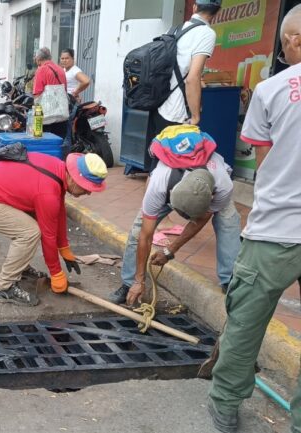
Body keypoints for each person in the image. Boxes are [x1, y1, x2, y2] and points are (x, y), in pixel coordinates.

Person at [207, 6, 301, 433]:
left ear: (292, 40)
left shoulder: (272, 89)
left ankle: (225, 403)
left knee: (245, 323)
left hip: (276, 230)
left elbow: (265, 163)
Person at [109, 126, 241, 305]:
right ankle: (129, 283)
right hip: (169, 185)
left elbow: (201, 220)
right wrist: (140, 280)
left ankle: (230, 282)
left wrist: (170, 250)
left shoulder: (223, 184)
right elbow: (145, 236)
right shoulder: (159, 184)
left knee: (228, 222)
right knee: (137, 230)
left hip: (208, 190)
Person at [0, 152, 108, 306]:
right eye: (86, 187)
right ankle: (4, 287)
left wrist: (64, 249)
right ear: (73, 177)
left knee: (29, 225)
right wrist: (56, 273)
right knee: (29, 232)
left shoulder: (58, 169)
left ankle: (20, 268)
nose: (88, 192)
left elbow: (58, 213)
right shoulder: (47, 193)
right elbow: (48, 236)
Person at [146, 0, 221, 158]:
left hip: (159, 105)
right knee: (176, 167)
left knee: (157, 168)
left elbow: (178, 66)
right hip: (176, 113)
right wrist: (195, 116)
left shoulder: (174, 29)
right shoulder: (206, 33)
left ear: (194, 7)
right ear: (217, 12)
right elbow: (192, 78)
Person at [32, 47, 69, 139]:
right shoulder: (60, 69)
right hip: (61, 115)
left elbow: (37, 94)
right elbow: (64, 90)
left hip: (48, 117)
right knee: (59, 142)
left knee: (47, 144)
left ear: (38, 59)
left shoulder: (41, 70)